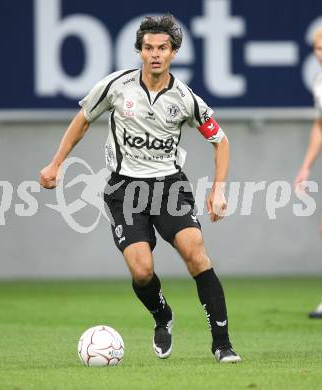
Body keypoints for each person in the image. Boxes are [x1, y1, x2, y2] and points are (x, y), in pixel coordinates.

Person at [40, 14, 241, 362]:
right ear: (140, 51)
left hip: (169, 187)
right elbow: (83, 120)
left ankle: (222, 344)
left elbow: (221, 142)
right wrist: (55, 163)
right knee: (142, 269)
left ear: (174, 52)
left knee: (195, 253)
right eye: (148, 48)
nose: (155, 54)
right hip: (124, 189)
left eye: (162, 48)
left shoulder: (185, 99)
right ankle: (162, 315)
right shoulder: (116, 86)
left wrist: (218, 189)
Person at [294, 26, 322, 319]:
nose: (321, 54)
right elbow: (320, 125)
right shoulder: (319, 81)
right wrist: (306, 166)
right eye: (318, 48)